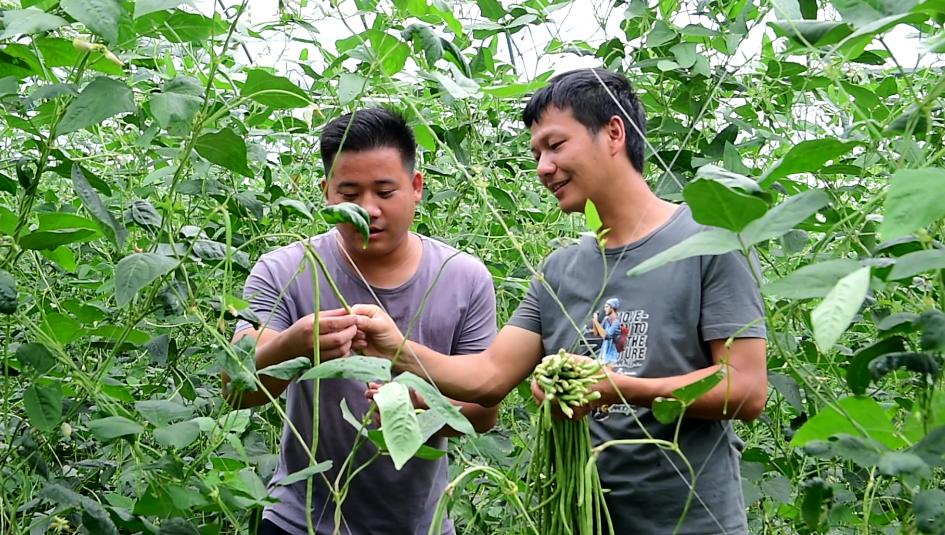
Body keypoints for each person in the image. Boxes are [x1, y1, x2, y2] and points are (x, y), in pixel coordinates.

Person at [353, 69, 768, 534]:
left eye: (555, 145)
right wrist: (394, 348)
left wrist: (618, 388)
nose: (543, 167)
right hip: (583, 521)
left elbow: (746, 389)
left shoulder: (706, 241)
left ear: (613, 133)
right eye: (536, 154)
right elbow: (488, 377)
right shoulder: (560, 270)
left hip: (693, 524)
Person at [222, 108, 499, 535]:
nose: (367, 210)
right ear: (326, 194)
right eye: (349, 193)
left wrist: (420, 407)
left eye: (385, 192)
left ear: (416, 187)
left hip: (418, 526)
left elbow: (483, 413)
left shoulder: (463, 277)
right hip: (299, 521)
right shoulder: (286, 269)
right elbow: (235, 390)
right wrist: (295, 345)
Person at [592, 297, 621, 365]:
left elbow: (606, 336)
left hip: (611, 355)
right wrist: (594, 321)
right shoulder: (606, 319)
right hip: (603, 354)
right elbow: (596, 333)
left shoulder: (616, 322)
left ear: (612, 307)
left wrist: (596, 321)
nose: (605, 309)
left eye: (607, 307)